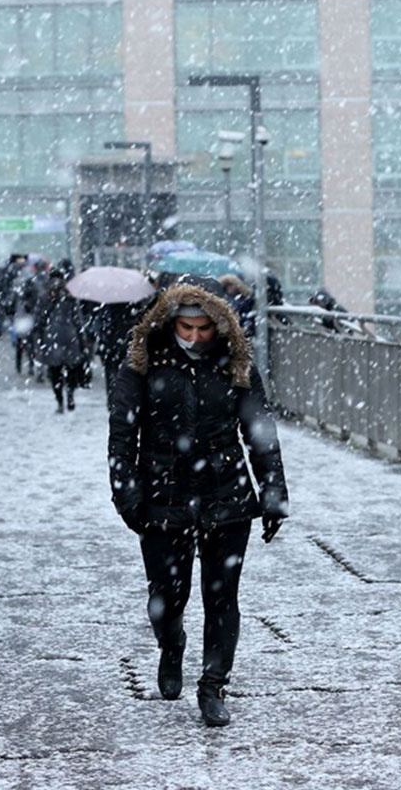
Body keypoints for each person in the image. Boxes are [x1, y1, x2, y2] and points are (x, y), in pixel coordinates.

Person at [108, 282, 289, 727]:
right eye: (185, 327)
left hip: (225, 497)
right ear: (170, 324)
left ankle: (213, 685)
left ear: (218, 325)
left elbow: (259, 431)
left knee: (222, 597)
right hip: (161, 499)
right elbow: (121, 437)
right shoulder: (143, 364)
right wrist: (128, 497)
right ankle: (171, 645)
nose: (193, 336)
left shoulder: (235, 364)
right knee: (166, 599)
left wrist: (272, 494)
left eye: (203, 328)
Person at [35, 270, 91, 413]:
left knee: (55, 372)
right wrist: (82, 339)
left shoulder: (45, 297)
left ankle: (60, 401)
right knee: (71, 369)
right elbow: (78, 320)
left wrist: (40, 338)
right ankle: (70, 394)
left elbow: (39, 320)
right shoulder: (70, 296)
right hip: (70, 337)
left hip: (52, 338)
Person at [218, 274, 256, 340]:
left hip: (241, 327)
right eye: (228, 285)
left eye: (232, 284)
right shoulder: (222, 297)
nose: (230, 287)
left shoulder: (245, 299)